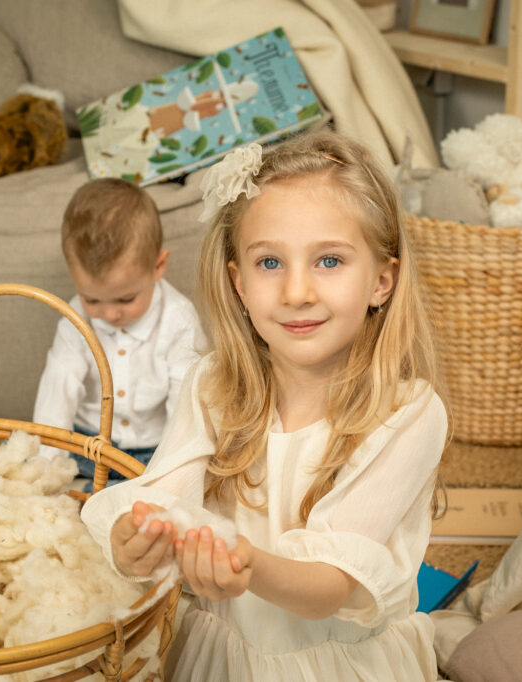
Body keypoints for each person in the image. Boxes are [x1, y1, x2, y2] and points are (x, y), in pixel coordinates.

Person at [81, 129, 449, 681]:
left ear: (382, 281)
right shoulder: (214, 385)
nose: (296, 291)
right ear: (239, 284)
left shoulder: (409, 412)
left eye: (329, 260)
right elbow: (164, 496)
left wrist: (243, 562)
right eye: (270, 263)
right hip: (218, 652)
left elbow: (328, 585)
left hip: (331, 664)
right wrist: (135, 540)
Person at [33, 178, 203, 490]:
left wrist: (168, 469)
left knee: (189, 477)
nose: (109, 315)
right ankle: (91, 492)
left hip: (150, 451)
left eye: (125, 299)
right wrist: (45, 460)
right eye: (92, 299)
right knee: (19, 458)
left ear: (158, 266)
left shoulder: (178, 319)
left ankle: (104, 495)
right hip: (86, 442)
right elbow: (59, 387)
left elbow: (185, 404)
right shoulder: (75, 316)